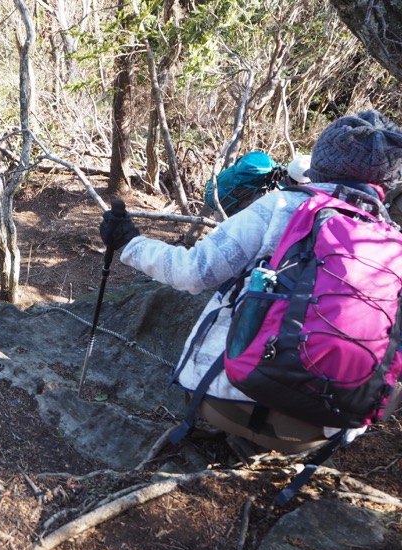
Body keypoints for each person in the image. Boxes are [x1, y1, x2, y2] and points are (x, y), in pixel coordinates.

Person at [100, 110, 402, 450]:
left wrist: (129, 242)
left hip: (226, 403)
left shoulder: (283, 205)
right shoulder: (393, 244)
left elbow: (193, 272)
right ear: (387, 184)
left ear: (319, 162)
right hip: (325, 428)